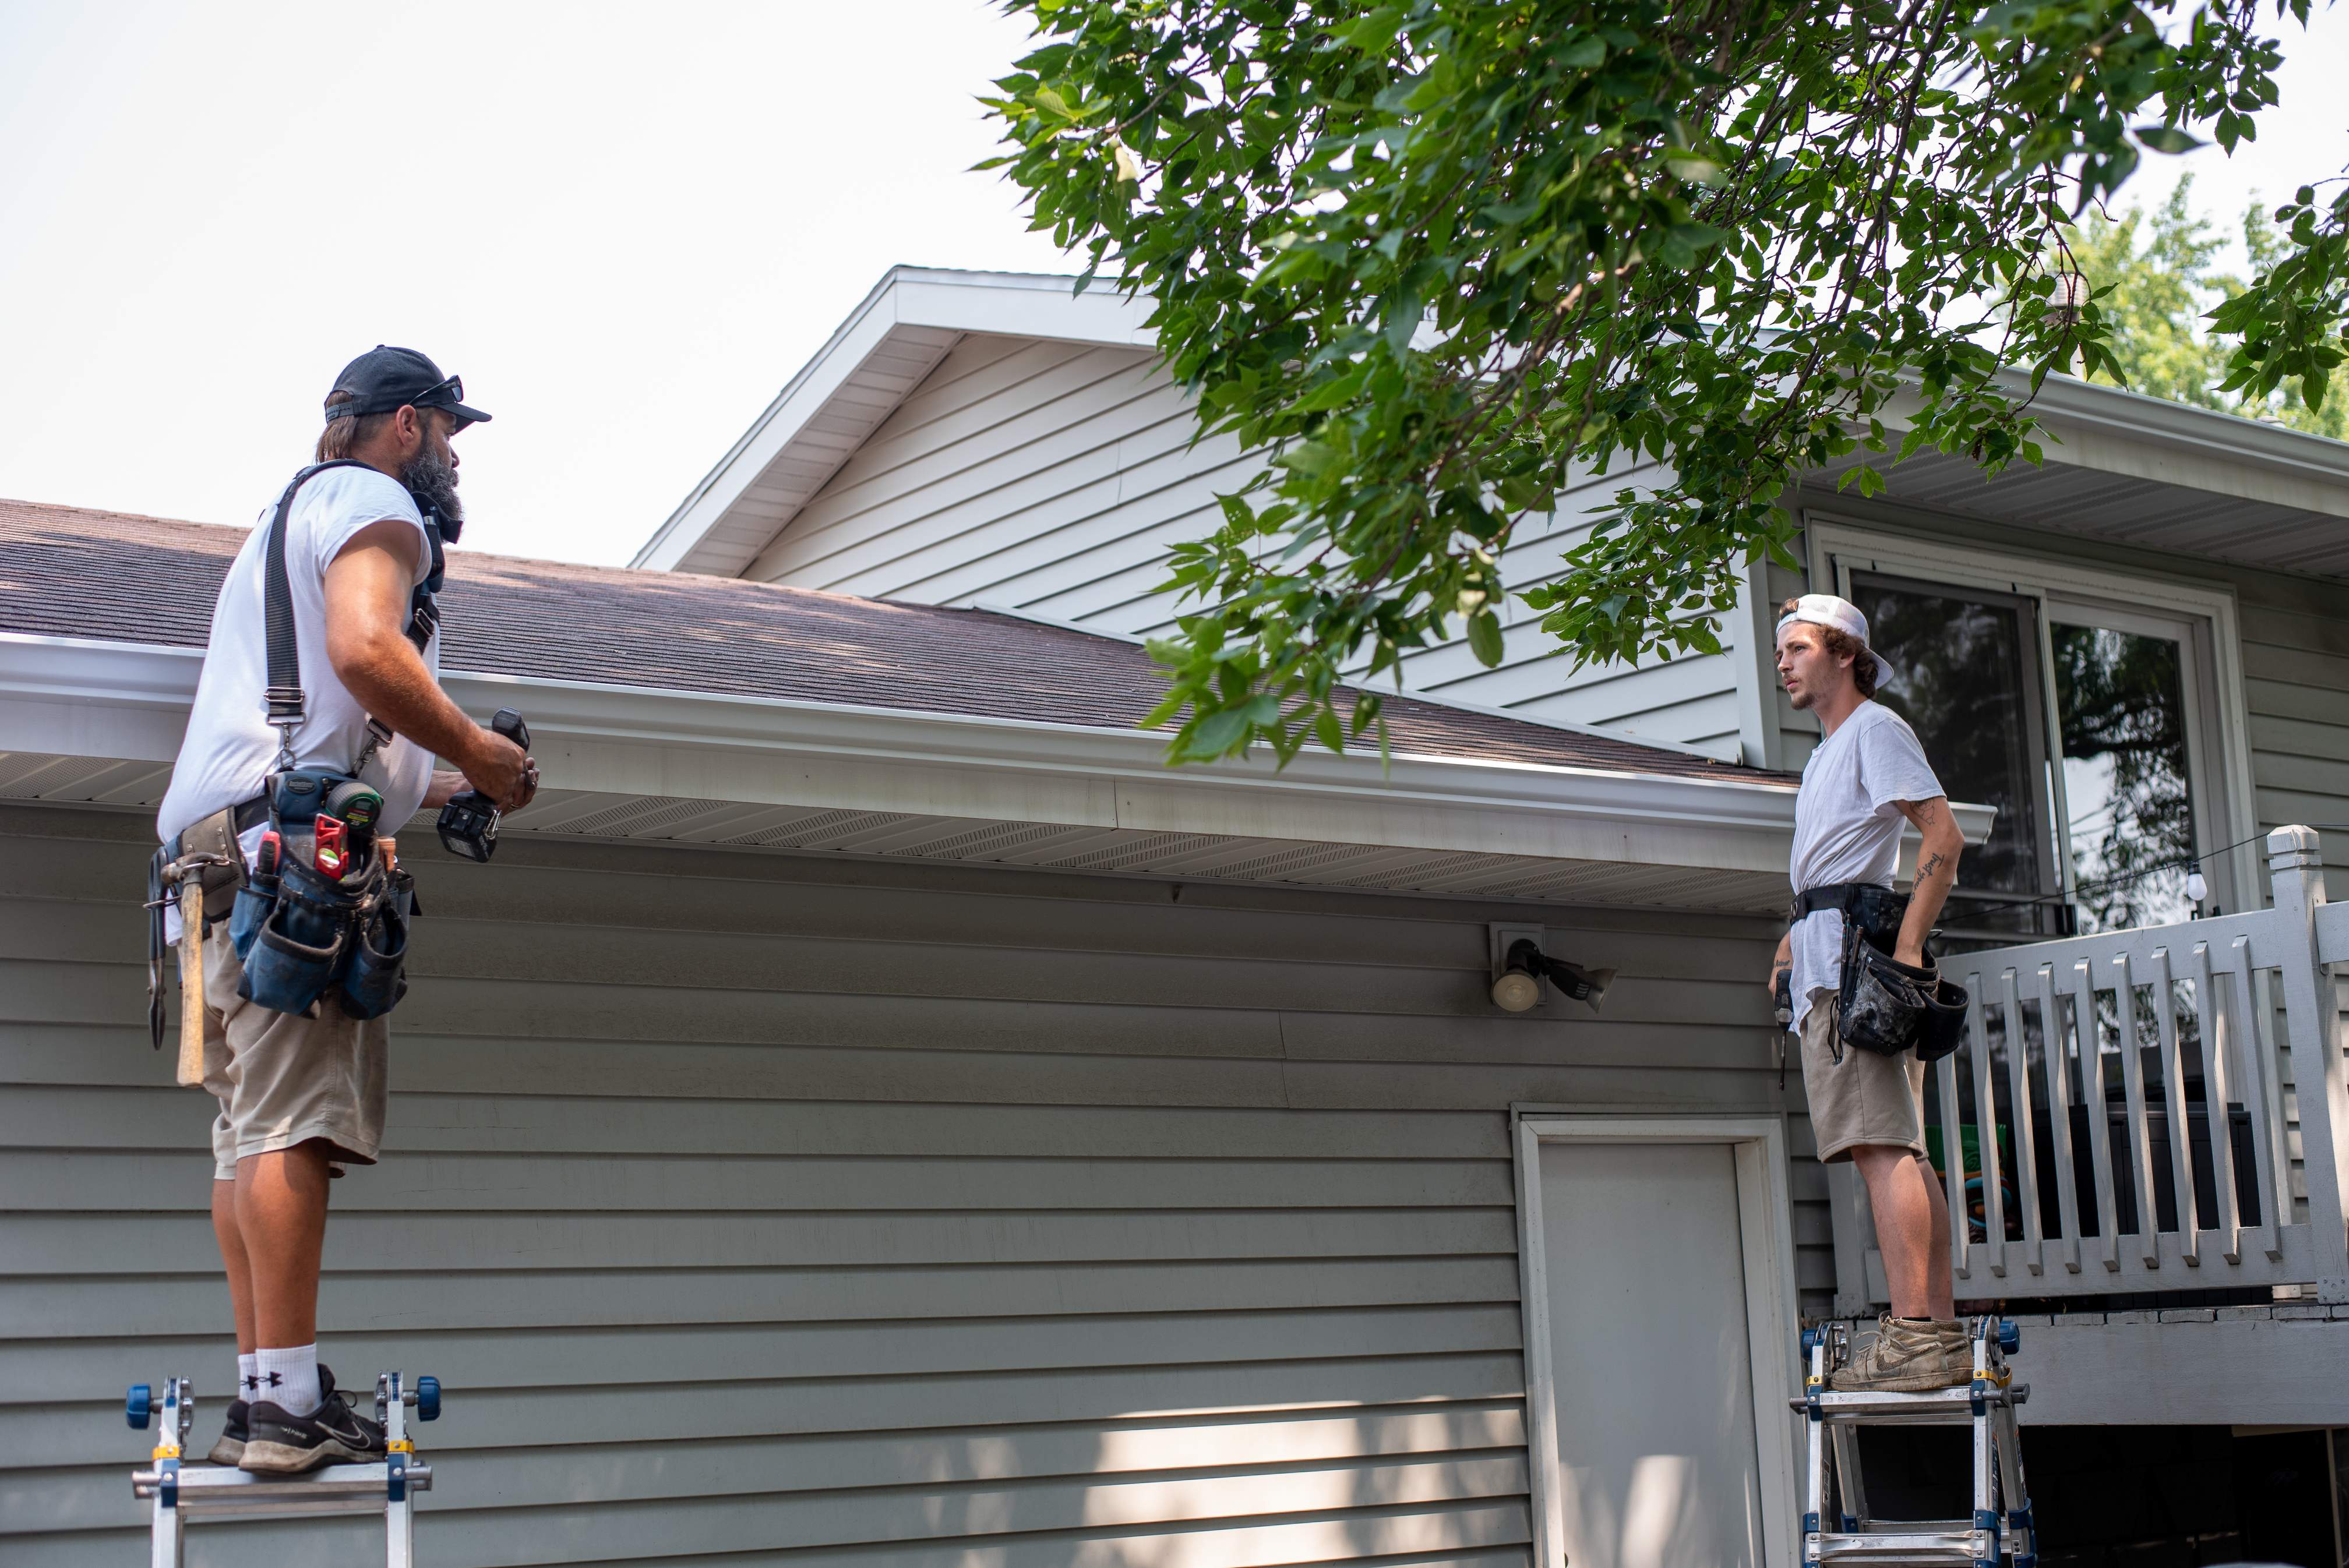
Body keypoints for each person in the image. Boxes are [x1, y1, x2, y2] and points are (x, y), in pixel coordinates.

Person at [153, 347, 537, 1472]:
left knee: (246, 1133)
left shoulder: (288, 518)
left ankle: (266, 1389)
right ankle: (283, 1411)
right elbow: (365, 652)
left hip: (216, 865)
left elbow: (350, 720)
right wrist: (481, 748)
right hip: (286, 866)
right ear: (405, 426)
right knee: (291, 1130)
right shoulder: (375, 501)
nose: (455, 456)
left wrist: (450, 778)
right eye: (449, 432)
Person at [1767, 593, 1969, 1391]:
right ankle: (1937, 1333)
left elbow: (1942, 836)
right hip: (1827, 963)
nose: (1783, 662)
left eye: (1798, 648)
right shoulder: (1826, 752)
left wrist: (1910, 946)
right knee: (1892, 1148)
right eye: (1782, 651)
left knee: (1885, 1147)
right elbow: (1829, 869)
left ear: (1845, 652)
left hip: (1858, 969)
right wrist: (1790, 942)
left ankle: (1917, 1336)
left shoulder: (1876, 731)